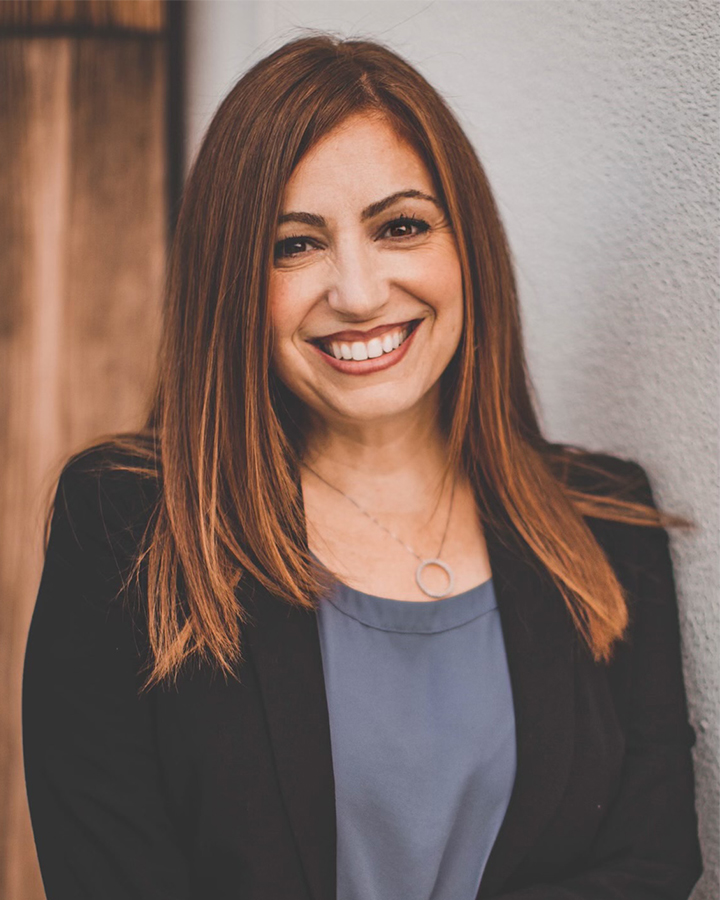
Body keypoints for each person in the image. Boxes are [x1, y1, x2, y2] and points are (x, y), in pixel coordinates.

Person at [22, 32, 703, 900]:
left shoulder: (607, 520)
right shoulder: (126, 524)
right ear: (232, 283)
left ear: (469, 248)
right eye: (294, 245)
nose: (357, 290)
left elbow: (652, 863)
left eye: (401, 226)